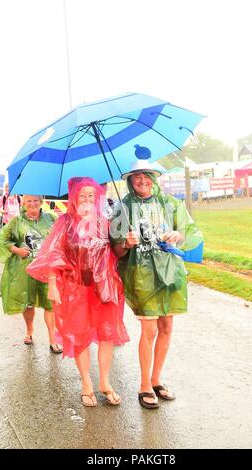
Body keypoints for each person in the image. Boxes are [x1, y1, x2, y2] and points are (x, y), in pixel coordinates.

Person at [110, 145, 203, 409]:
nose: (142, 180)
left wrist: (178, 235)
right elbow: (114, 249)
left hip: (169, 273)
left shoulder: (170, 203)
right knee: (149, 329)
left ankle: (156, 379)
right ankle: (143, 385)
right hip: (142, 276)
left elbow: (189, 230)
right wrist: (126, 244)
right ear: (129, 180)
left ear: (154, 177)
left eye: (146, 175)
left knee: (166, 327)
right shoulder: (122, 208)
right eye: (136, 176)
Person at [27, 177, 129, 407]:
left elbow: (117, 251)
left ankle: (104, 382)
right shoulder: (65, 223)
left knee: (107, 334)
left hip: (105, 286)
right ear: (73, 197)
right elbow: (53, 254)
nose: (87, 199)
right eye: (82, 195)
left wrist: (126, 243)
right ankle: (86, 384)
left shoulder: (105, 221)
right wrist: (53, 283)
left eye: (91, 195)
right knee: (80, 334)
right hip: (76, 288)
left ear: (97, 197)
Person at [0, 195, 63, 354]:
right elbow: (2, 239)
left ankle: (53, 340)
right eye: (28, 201)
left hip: (48, 270)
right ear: (24, 204)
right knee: (28, 302)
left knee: (50, 304)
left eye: (35, 200)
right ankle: (30, 330)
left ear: (41, 202)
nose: (32, 204)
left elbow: (62, 238)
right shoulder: (16, 221)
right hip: (25, 269)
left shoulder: (52, 219)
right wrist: (17, 250)